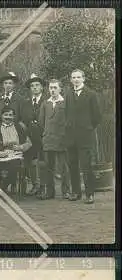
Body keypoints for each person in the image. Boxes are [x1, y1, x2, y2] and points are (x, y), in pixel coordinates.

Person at [65, 69, 101, 204]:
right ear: (70, 79)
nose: (76, 80)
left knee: (86, 166)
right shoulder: (68, 94)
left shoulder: (91, 94)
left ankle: (89, 194)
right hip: (70, 136)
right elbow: (67, 114)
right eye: (73, 77)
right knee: (72, 165)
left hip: (85, 136)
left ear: (83, 79)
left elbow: (97, 116)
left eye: (78, 77)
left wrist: (88, 127)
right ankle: (76, 193)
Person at [0, 107, 32, 200]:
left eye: (10, 115)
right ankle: (1, 190)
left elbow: (29, 143)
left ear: (14, 116)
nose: (8, 117)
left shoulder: (19, 127)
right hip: (1, 154)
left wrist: (20, 147)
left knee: (14, 167)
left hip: (15, 154)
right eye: (6, 115)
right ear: (1, 116)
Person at [38, 79, 70, 200]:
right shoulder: (45, 104)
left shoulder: (65, 103)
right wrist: (47, 133)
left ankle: (66, 191)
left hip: (62, 139)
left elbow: (68, 121)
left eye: (55, 88)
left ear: (60, 89)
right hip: (48, 139)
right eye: (51, 88)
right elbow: (41, 122)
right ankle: (50, 192)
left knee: (63, 167)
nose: (52, 90)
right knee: (48, 167)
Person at [20, 73, 47, 195]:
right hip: (30, 137)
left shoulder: (47, 101)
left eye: (37, 85)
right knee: (31, 161)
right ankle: (35, 185)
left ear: (41, 87)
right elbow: (21, 119)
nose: (35, 88)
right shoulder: (25, 103)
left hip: (44, 135)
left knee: (43, 161)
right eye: (32, 86)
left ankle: (44, 186)